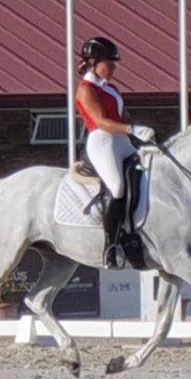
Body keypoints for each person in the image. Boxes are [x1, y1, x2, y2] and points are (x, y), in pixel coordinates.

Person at [75, 36, 156, 267]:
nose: (113, 68)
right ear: (94, 63)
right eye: (109, 64)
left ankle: (136, 229)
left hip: (121, 139)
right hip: (102, 141)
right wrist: (132, 129)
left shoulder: (111, 88)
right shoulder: (86, 89)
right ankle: (110, 246)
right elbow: (101, 121)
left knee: (146, 171)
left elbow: (123, 116)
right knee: (118, 186)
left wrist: (140, 130)